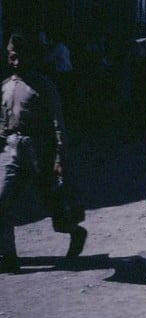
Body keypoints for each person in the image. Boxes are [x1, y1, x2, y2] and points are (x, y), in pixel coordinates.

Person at [0, 33, 86, 273]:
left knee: (53, 202)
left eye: (20, 57)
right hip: (12, 151)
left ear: (30, 58)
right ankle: (8, 256)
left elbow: (57, 123)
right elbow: (2, 124)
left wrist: (59, 156)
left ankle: (74, 231)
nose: (16, 62)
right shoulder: (5, 87)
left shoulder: (44, 86)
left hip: (40, 152)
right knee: (2, 202)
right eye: (12, 57)